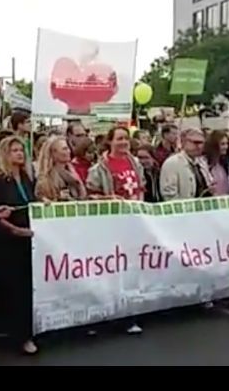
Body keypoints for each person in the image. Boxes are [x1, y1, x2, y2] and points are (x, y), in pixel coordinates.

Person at [86, 126, 144, 335]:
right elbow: (90, 195)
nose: (123, 142)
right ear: (109, 142)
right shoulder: (99, 168)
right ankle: (102, 316)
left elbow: (141, 187)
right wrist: (109, 199)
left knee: (131, 271)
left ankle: (129, 315)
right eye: (119, 138)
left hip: (133, 222)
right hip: (111, 224)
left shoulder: (135, 163)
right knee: (109, 271)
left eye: (126, 138)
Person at [0, 136, 38, 355]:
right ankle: (20, 337)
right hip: (8, 242)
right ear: (5, 155)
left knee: (27, 288)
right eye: (14, 150)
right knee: (15, 290)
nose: (19, 154)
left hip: (28, 238)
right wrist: (15, 230)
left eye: (21, 150)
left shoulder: (26, 177)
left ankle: (27, 331)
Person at [160, 128, 214, 201]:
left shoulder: (201, 163)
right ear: (183, 142)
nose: (199, 146)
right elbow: (169, 194)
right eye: (195, 142)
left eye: (202, 143)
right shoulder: (172, 163)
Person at [35, 136, 87, 202]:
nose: (69, 151)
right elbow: (42, 199)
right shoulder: (45, 179)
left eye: (68, 148)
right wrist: (58, 198)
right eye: (64, 149)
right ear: (54, 153)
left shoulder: (72, 173)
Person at [204, 129, 229, 196]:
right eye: (222, 144)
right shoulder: (205, 163)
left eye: (227, 144)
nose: (226, 147)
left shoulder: (227, 162)